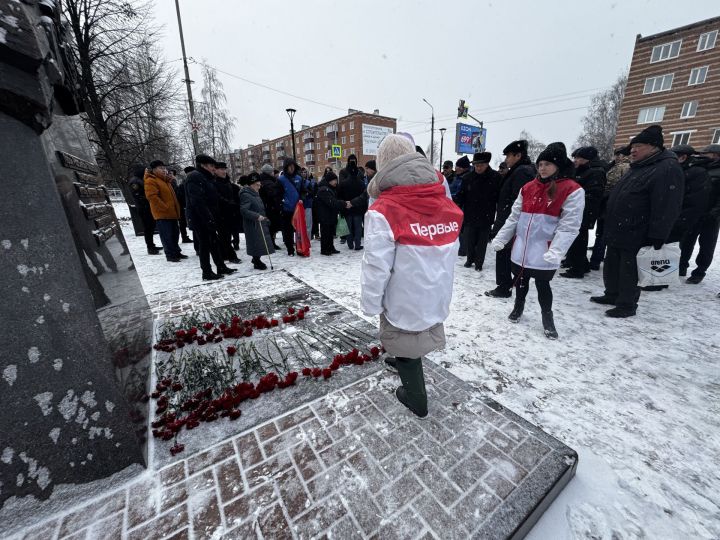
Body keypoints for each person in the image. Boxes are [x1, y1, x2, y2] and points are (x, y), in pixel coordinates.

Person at [361, 134, 463, 418]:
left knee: (404, 339)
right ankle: (404, 364)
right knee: (417, 333)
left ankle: (416, 398)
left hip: (403, 294)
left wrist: (371, 303)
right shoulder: (444, 202)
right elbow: (451, 250)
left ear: (383, 166)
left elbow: (375, 266)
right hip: (435, 290)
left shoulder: (383, 210)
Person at [590, 125, 684, 317]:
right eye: (632, 146)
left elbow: (667, 205)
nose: (632, 150)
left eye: (639, 145)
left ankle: (627, 304)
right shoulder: (640, 166)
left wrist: (658, 235)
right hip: (620, 228)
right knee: (613, 265)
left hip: (638, 232)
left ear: (654, 147)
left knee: (629, 271)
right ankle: (612, 294)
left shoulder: (666, 168)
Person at [493, 142, 584, 339]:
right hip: (522, 246)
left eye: (548, 164)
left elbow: (569, 226)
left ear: (558, 166)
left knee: (543, 285)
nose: (542, 168)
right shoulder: (528, 187)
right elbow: (514, 216)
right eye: (540, 164)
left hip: (545, 248)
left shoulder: (571, 189)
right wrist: (502, 237)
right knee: (521, 280)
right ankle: (518, 308)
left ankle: (547, 317)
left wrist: (557, 250)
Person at [486, 140, 536, 298]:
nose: (506, 159)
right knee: (506, 253)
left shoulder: (522, 172)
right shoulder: (519, 170)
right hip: (508, 219)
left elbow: (518, 200)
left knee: (503, 252)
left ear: (518, 155)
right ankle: (506, 284)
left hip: (509, 220)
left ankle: (503, 287)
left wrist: (506, 221)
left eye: (509, 155)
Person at [185, 155, 237, 280]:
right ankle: (207, 272)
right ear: (203, 165)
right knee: (205, 246)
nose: (214, 168)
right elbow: (197, 202)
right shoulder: (195, 177)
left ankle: (221, 266)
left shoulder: (207, 178)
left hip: (211, 217)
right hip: (201, 219)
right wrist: (208, 219)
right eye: (212, 166)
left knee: (214, 243)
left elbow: (213, 197)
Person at [561, 147, 605, 278]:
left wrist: (575, 199)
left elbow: (593, 194)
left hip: (584, 212)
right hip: (578, 211)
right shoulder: (583, 170)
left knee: (579, 240)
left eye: (578, 158)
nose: (575, 160)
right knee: (576, 239)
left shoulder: (595, 172)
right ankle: (579, 263)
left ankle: (578, 268)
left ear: (586, 159)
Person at [454, 151, 501, 271]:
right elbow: (461, 196)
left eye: (481, 165)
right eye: (476, 165)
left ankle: (479, 263)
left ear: (487, 164)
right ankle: (470, 260)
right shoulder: (467, 178)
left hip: (486, 215)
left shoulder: (496, 177)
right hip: (470, 214)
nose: (478, 168)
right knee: (470, 240)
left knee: (482, 242)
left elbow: (499, 197)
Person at [680, 144, 720, 284]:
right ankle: (681, 267)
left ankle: (699, 272)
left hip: (711, 217)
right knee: (686, 242)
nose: (702, 155)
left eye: (706, 153)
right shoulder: (700, 168)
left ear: (715, 155)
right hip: (694, 213)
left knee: (706, 246)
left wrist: (714, 213)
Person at [589, 147, 630, 270]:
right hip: (606, 203)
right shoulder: (612, 166)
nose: (617, 157)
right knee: (601, 233)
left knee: (603, 234)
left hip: (612, 204)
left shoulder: (625, 167)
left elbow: (617, 186)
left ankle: (596, 260)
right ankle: (598, 257)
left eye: (620, 154)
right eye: (616, 154)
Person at [144, 160, 185, 262]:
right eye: (160, 168)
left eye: (164, 168)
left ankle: (176, 252)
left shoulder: (165, 180)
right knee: (167, 236)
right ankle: (170, 255)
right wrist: (165, 207)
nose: (164, 170)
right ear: (154, 170)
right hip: (162, 214)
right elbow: (152, 197)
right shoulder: (151, 180)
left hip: (172, 213)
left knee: (175, 234)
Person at [239, 175, 274, 270]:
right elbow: (244, 210)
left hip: (259, 221)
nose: (259, 187)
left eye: (259, 185)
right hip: (253, 223)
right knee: (255, 242)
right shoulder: (246, 195)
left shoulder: (255, 193)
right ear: (251, 185)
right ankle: (256, 261)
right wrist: (256, 216)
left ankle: (256, 259)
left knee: (259, 242)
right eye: (257, 185)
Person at [128, 163, 161, 255]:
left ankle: (152, 245)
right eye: (144, 170)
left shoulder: (141, 179)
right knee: (148, 228)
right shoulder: (135, 181)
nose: (146, 171)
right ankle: (150, 247)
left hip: (146, 206)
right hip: (143, 207)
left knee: (151, 227)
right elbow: (138, 195)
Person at [213, 162, 241, 264]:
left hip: (230, 213)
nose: (224, 171)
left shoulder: (227, 182)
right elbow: (217, 197)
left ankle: (224, 254)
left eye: (224, 169)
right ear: (215, 170)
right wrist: (229, 203)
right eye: (221, 169)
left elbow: (233, 193)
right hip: (220, 214)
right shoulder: (213, 182)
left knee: (227, 235)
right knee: (224, 236)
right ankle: (231, 256)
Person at [338, 154, 367, 250]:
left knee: (349, 227)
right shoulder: (362, 183)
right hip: (358, 208)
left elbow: (340, 195)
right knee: (358, 227)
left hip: (347, 208)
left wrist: (344, 205)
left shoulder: (343, 183)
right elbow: (363, 197)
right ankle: (357, 245)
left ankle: (350, 244)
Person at [315, 171, 346, 255]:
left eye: (336, 180)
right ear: (329, 180)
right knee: (325, 233)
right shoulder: (324, 190)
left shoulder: (330, 188)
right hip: (325, 215)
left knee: (330, 232)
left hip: (330, 215)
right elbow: (332, 202)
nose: (336, 182)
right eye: (334, 180)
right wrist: (344, 203)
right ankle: (324, 250)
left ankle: (331, 247)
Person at [277, 158, 301, 256]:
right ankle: (290, 249)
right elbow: (277, 194)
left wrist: (302, 198)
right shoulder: (281, 179)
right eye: (289, 166)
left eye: (293, 166)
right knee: (288, 231)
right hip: (286, 210)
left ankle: (300, 247)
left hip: (298, 209)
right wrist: (281, 205)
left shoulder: (299, 178)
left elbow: (303, 190)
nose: (291, 168)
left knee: (299, 230)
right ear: (286, 167)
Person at [259, 164, 283, 249]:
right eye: (272, 171)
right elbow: (272, 194)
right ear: (269, 172)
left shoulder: (264, 180)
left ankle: (270, 243)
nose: (274, 173)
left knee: (270, 226)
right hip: (270, 207)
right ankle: (271, 244)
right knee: (271, 226)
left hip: (267, 206)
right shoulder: (268, 182)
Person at [295, 167, 316, 241]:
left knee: (308, 224)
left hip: (307, 205)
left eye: (305, 172)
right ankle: (299, 240)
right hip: (299, 205)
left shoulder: (308, 182)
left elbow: (312, 193)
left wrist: (306, 193)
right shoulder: (297, 181)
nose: (303, 174)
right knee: (299, 224)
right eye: (302, 172)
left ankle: (308, 239)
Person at [174, 168, 193, 244]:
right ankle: (184, 237)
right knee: (183, 223)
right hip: (184, 207)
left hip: (187, 206)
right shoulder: (183, 185)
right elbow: (179, 196)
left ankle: (185, 237)